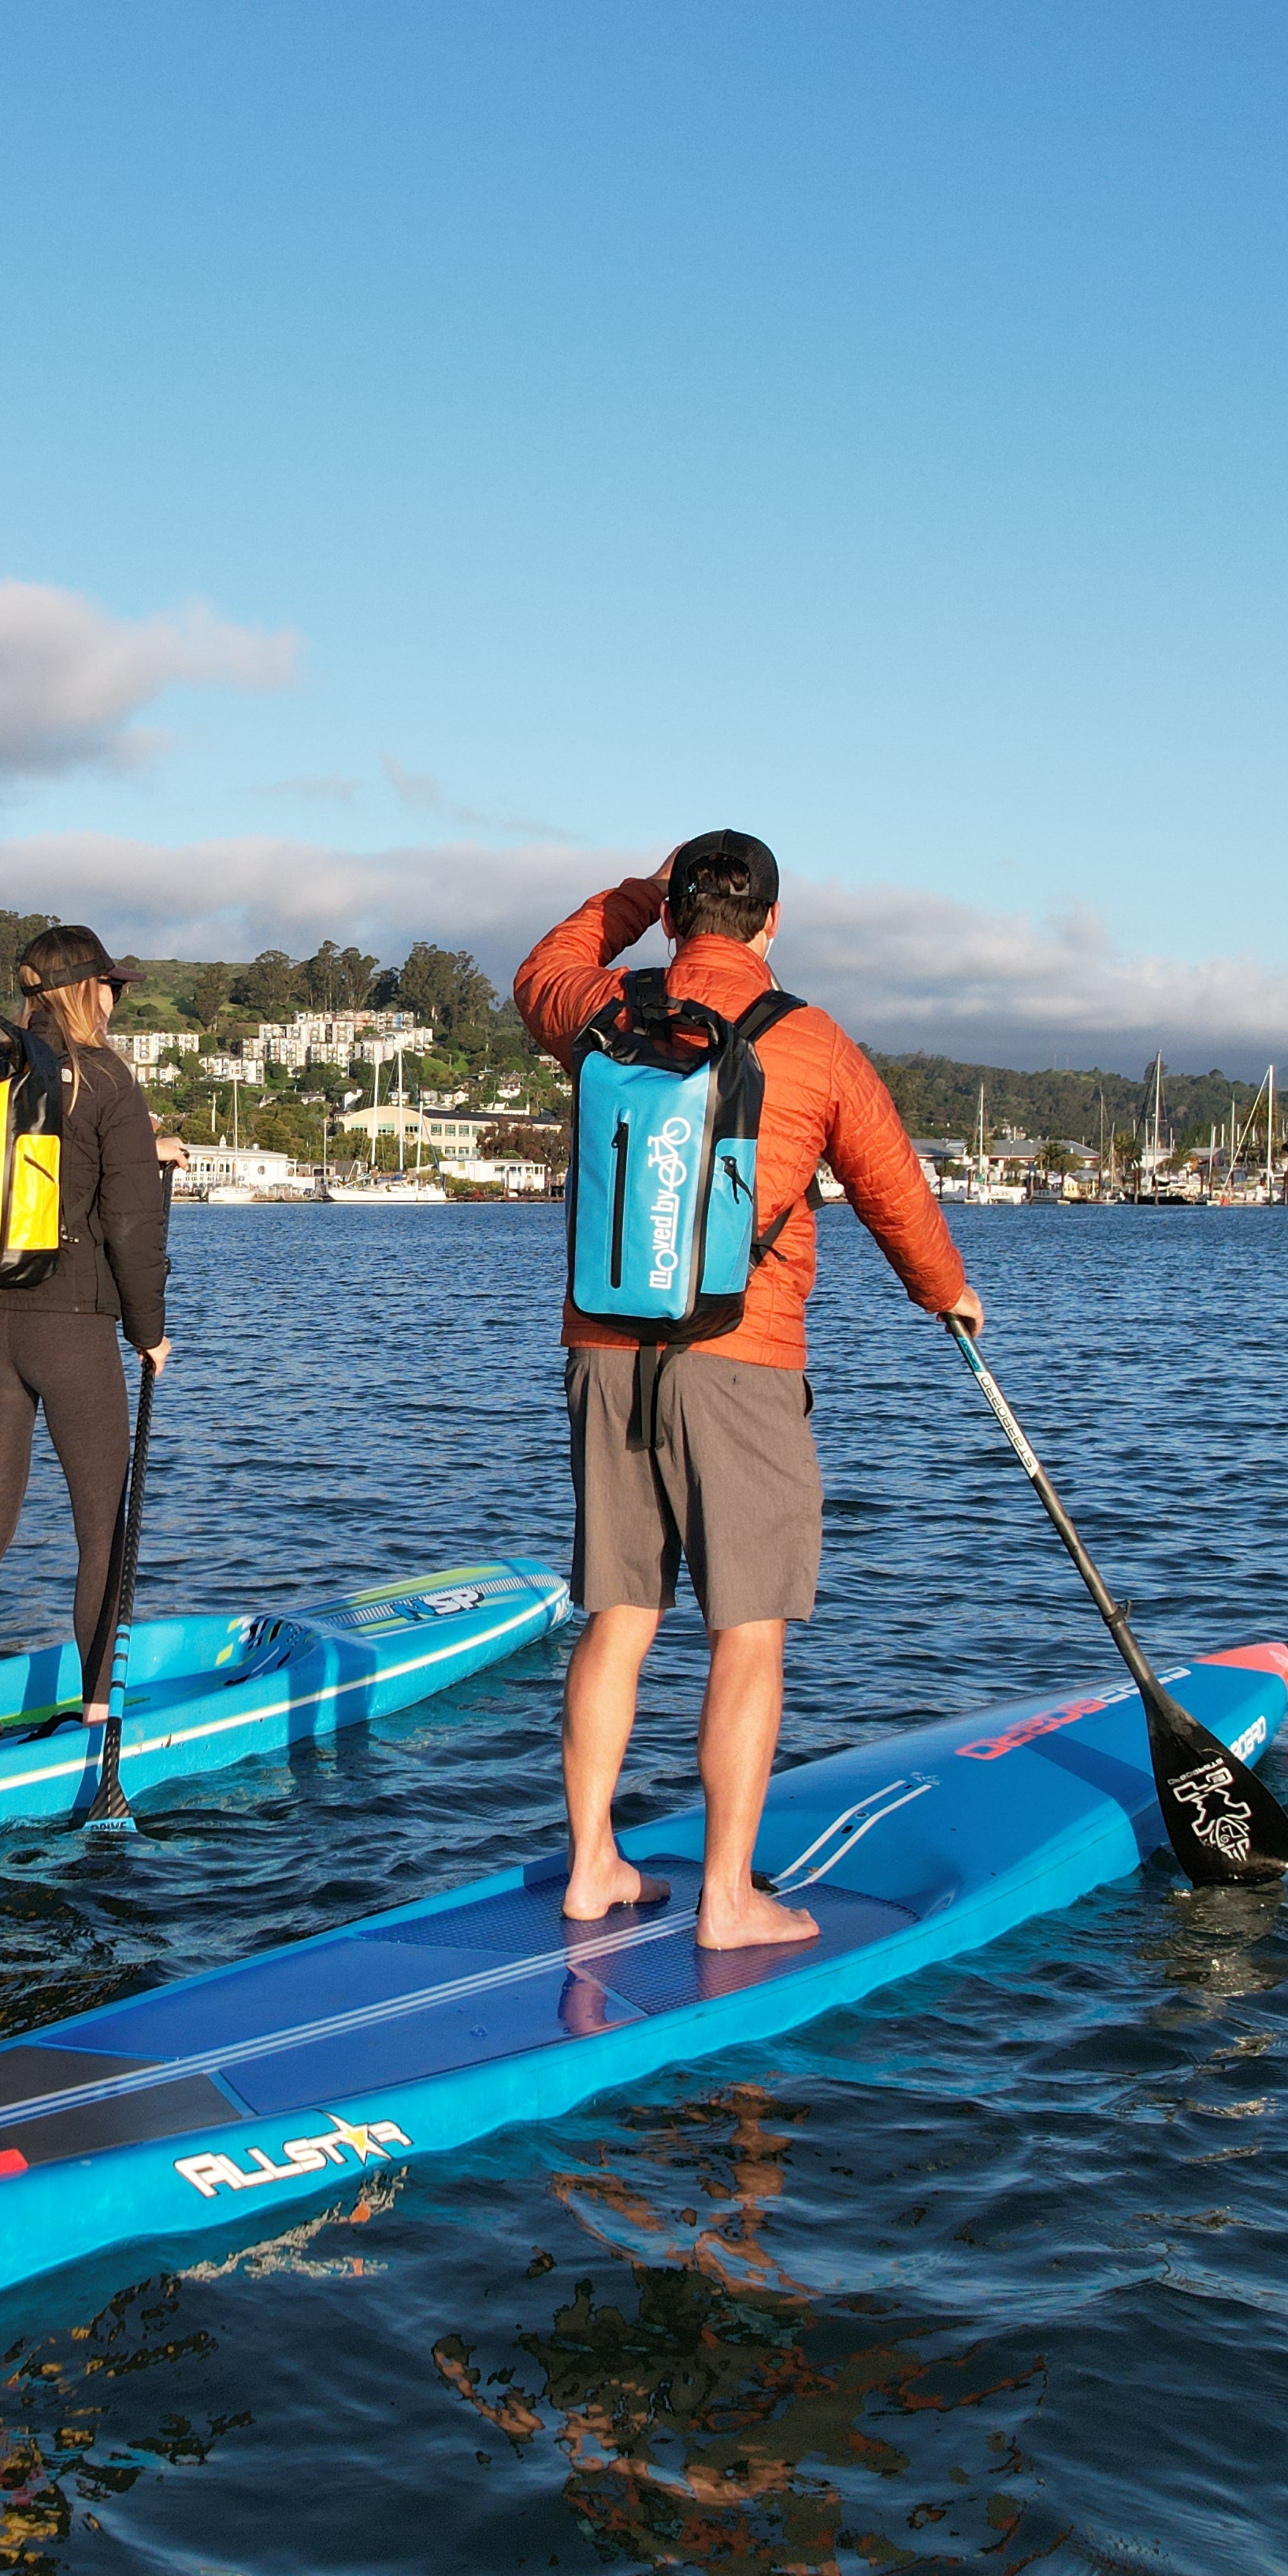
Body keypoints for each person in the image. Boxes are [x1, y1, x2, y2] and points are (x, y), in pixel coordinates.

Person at [514, 830, 981, 1947]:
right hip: (744, 1359)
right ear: (773, 923)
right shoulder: (811, 1042)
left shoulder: (605, 1010)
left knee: (619, 1615)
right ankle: (728, 1900)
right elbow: (892, 1188)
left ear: (675, 915)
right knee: (750, 1633)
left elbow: (540, 966)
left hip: (606, 1350)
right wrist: (948, 1294)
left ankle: (592, 1870)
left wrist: (633, 896)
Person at [0, 923, 175, 1745]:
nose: (116, 1000)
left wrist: (147, 1149)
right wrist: (151, 1330)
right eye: (113, 987)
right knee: (101, 1526)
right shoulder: (105, 1079)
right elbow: (132, 1227)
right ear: (87, 990)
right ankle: (102, 1708)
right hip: (71, 1329)